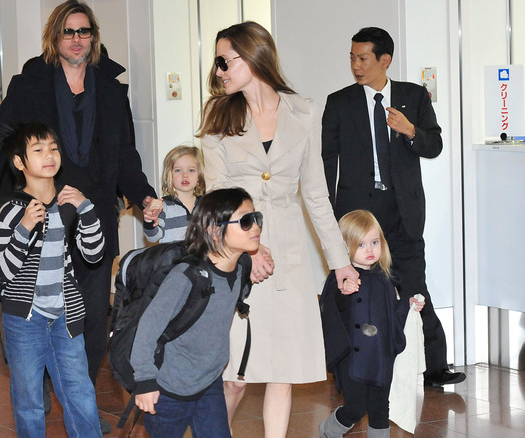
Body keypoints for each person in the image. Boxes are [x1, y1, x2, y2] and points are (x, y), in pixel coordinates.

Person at [0, 2, 161, 430]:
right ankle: (42, 391)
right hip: (40, 218)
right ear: (55, 38)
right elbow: (0, 146)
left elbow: (126, 154)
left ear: (94, 37)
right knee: (35, 316)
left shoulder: (110, 90)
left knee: (89, 317)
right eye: (68, 32)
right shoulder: (30, 84)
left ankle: (79, 399)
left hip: (92, 218)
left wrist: (143, 196)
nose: (77, 39)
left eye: (84, 31)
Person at [198, 21, 359, 436]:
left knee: (282, 371)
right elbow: (217, 197)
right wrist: (250, 250)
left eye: (224, 60)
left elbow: (317, 196)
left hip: (288, 256)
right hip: (236, 252)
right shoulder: (218, 117)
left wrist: (340, 263)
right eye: (216, 62)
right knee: (234, 375)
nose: (218, 70)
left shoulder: (304, 112)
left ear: (253, 57)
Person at [321, 27, 465, 388]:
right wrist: (328, 212)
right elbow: (326, 159)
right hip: (358, 215)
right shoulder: (339, 102)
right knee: (353, 291)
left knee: (415, 285)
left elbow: (434, 145)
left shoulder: (413, 96)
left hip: (402, 209)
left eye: (363, 58)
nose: (356, 65)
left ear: (384, 60)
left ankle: (434, 367)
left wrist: (410, 130)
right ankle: (347, 367)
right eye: (352, 57)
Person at [0, 122, 105, 438]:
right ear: (19, 162)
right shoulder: (11, 209)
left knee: (80, 393)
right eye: (38, 150)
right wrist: (25, 228)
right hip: (24, 319)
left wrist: (87, 209)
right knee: (28, 400)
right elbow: (2, 273)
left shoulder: (71, 202)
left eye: (53, 148)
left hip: (65, 315)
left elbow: (94, 255)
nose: (49, 155)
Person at [132, 188, 259, 438]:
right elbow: (148, 327)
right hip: (168, 389)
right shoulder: (185, 277)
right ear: (214, 230)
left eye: (256, 218)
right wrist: (145, 381)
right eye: (245, 221)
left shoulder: (241, 267)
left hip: (209, 382)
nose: (255, 226)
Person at [318, 210, 425, 438]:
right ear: (345, 247)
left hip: (379, 356)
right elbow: (331, 309)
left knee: (379, 409)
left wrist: (407, 305)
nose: (369, 249)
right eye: (361, 244)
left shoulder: (385, 278)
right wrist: (342, 293)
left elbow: (390, 313)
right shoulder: (341, 279)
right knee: (355, 408)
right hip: (353, 358)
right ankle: (330, 430)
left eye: (374, 242)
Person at [143, 145, 205, 244]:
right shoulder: (163, 206)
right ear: (169, 175)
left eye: (191, 170)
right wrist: (149, 220)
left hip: (200, 259)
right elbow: (153, 238)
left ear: (199, 175)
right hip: (174, 259)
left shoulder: (206, 205)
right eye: (178, 170)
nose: (185, 175)